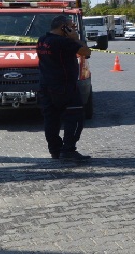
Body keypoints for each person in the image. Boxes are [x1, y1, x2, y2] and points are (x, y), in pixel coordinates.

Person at [36, 15, 93, 161]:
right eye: (71, 26)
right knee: (75, 117)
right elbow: (86, 52)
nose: (73, 29)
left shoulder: (42, 40)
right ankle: (68, 150)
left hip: (46, 85)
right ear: (63, 27)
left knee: (51, 119)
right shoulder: (64, 42)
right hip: (65, 86)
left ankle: (55, 150)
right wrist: (74, 37)